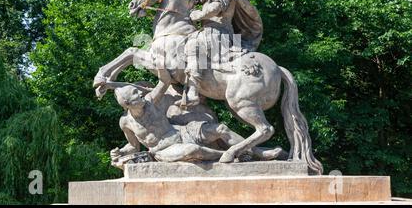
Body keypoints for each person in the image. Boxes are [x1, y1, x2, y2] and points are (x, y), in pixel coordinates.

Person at [110, 69, 285, 164]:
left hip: (181, 131)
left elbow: (163, 81)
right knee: (192, 150)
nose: (141, 93)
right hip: (164, 149)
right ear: (127, 103)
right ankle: (227, 154)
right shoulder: (126, 122)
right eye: (135, 94)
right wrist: (120, 151)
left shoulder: (150, 101)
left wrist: (161, 62)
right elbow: (133, 146)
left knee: (220, 129)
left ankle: (256, 152)